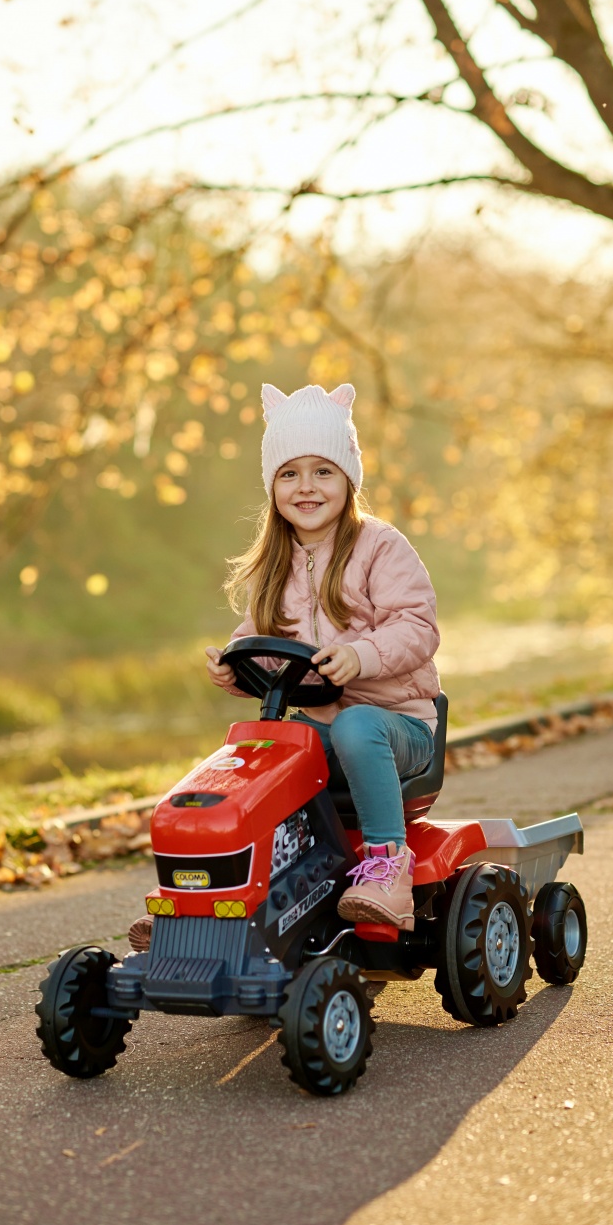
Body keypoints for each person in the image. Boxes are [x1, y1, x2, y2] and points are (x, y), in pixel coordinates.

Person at [205, 381, 441, 932]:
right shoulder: (274, 565)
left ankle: (388, 867)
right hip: (321, 731)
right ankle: (224, 886)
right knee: (254, 748)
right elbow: (264, 648)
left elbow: (416, 627)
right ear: (272, 486)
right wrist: (236, 670)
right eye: (289, 473)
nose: (306, 487)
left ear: (348, 478)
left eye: (322, 471)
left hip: (400, 731)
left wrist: (361, 656)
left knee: (358, 724)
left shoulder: (380, 546)